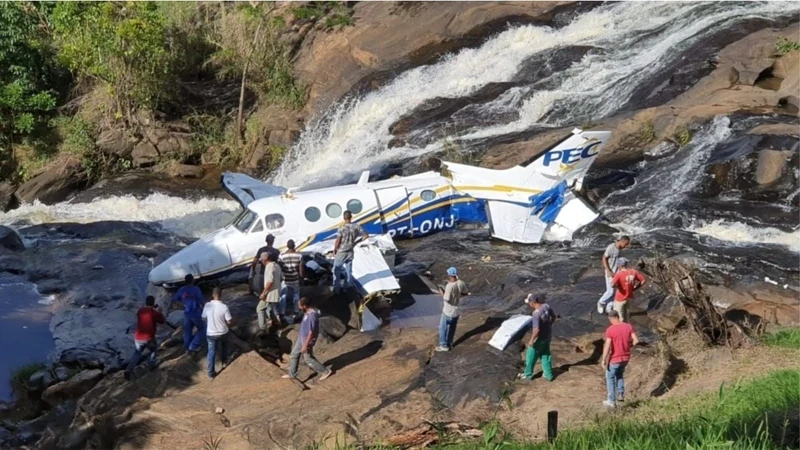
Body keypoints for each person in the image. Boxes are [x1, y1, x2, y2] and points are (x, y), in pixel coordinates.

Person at [282, 297, 333, 381]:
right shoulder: (306, 312)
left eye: (300, 306)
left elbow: (311, 332)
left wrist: (305, 345)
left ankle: (325, 371)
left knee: (308, 359)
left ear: (304, 306)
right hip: (301, 338)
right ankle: (292, 373)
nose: (299, 307)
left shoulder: (312, 316)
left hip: (307, 340)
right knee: (294, 354)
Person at [601, 309, 639, 408]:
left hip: (615, 358)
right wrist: (629, 345)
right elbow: (636, 341)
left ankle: (611, 401)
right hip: (626, 357)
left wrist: (604, 359)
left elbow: (607, 346)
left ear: (612, 318)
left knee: (610, 377)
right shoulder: (628, 326)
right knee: (620, 374)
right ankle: (621, 393)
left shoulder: (610, 330)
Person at [125, 296, 165, 380]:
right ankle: (152, 364)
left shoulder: (140, 311)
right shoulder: (154, 313)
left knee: (137, 353)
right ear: (153, 303)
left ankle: (129, 369)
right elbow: (162, 321)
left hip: (138, 337)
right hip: (148, 338)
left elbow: (145, 314)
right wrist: (160, 312)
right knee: (153, 349)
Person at [519, 294, 556, 381]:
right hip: (547, 335)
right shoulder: (546, 306)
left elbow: (536, 330)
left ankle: (527, 375)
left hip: (538, 338)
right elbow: (554, 316)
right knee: (545, 355)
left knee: (531, 356)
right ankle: (548, 375)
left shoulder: (536, 314)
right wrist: (549, 325)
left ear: (533, 302)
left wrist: (531, 340)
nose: (529, 305)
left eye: (529, 303)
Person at [332, 210, 368, 294]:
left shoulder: (341, 228)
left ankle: (336, 289)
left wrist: (335, 249)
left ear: (344, 218)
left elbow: (338, 240)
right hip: (350, 251)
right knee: (348, 270)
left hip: (341, 251)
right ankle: (347, 287)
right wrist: (356, 242)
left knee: (336, 270)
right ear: (351, 217)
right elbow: (366, 235)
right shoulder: (357, 226)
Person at [436, 267, 469, 352]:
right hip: (456, 311)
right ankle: (450, 344)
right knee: (452, 329)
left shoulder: (449, 286)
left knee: (443, 329)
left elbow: (446, 299)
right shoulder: (461, 283)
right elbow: (465, 292)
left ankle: (443, 346)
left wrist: (442, 293)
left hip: (447, 311)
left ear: (449, 275)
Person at [202, 287, 233, 379]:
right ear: (221, 295)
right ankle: (224, 362)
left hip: (211, 333)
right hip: (222, 332)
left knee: (211, 352)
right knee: (224, 346)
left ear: (213, 295)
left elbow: (203, 318)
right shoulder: (224, 307)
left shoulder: (207, 305)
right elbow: (229, 321)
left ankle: (211, 373)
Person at [170, 274, 205, 353]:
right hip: (196, 313)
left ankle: (187, 347)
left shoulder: (182, 290)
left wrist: (182, 305)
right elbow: (201, 301)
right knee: (202, 328)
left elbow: (174, 299)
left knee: (187, 331)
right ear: (193, 280)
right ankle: (193, 345)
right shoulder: (196, 289)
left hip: (187, 313)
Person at [597, 236, 631, 314]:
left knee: (616, 291)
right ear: (622, 241)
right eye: (625, 244)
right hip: (610, 272)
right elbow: (604, 258)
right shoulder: (611, 248)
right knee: (610, 291)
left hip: (617, 273)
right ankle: (601, 303)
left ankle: (609, 306)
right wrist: (608, 271)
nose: (626, 246)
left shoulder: (620, 249)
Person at [610, 258, 646, 323]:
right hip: (628, 297)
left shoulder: (619, 274)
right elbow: (643, 280)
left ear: (619, 265)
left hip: (619, 298)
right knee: (626, 316)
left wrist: (618, 286)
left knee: (619, 317)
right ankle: (626, 328)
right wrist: (634, 288)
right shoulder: (633, 271)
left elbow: (612, 285)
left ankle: (621, 331)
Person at [279, 239, 305, 320]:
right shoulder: (299, 256)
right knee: (296, 295)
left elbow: (280, 268)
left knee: (283, 296)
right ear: (294, 246)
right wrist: (302, 278)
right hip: (295, 279)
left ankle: (282, 313)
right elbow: (301, 270)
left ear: (287, 246)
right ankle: (296, 311)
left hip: (285, 279)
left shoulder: (281, 256)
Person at [257, 252, 283, 330]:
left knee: (259, 308)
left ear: (265, 259)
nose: (261, 262)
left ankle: (263, 328)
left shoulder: (269, 267)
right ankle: (275, 322)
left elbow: (270, 281)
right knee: (269, 309)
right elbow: (281, 278)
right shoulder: (277, 265)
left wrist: (264, 292)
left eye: (262, 260)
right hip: (276, 292)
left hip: (269, 294)